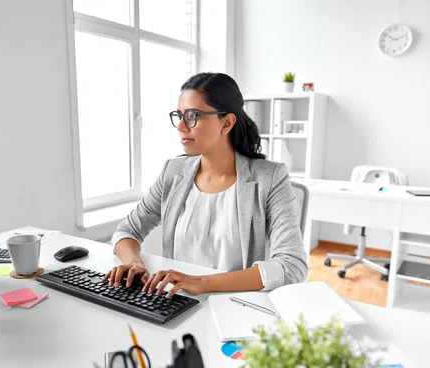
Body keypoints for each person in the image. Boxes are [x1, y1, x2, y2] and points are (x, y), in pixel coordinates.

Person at [104, 72, 308, 298]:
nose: (181, 126)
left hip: (237, 306)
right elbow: (127, 230)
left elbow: (292, 265)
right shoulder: (173, 172)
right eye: (179, 115)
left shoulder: (269, 178)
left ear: (227, 122)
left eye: (192, 116)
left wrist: (202, 282)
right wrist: (134, 263)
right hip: (173, 302)